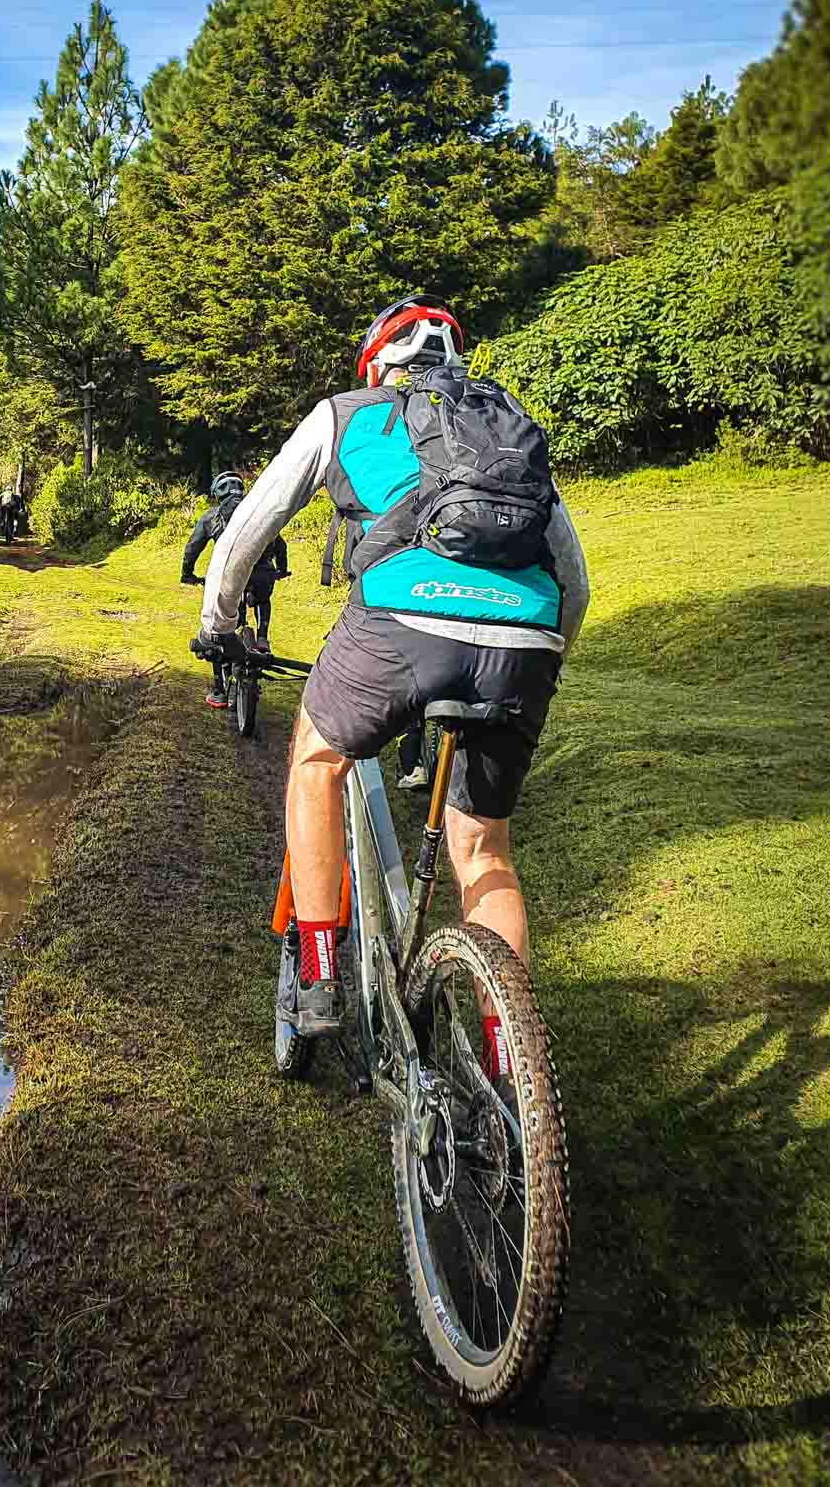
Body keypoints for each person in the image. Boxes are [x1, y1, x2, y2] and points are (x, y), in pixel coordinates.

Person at [193, 296, 589, 1075]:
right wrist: (542, 653)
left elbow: (250, 529)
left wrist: (218, 620)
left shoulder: (348, 412)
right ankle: (509, 1066)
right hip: (527, 641)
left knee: (316, 761)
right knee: (484, 850)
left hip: (400, 626)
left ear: (377, 363)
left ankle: (318, 972)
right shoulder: (506, 423)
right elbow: (572, 578)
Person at [181, 472, 289, 709]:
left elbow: (192, 548)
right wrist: (282, 569)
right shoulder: (256, 514)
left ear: (216, 494)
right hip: (263, 574)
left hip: (229, 579)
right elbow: (280, 544)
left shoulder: (212, 516)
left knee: (217, 630)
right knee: (262, 599)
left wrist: (187, 574)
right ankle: (261, 637)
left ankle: (219, 690)